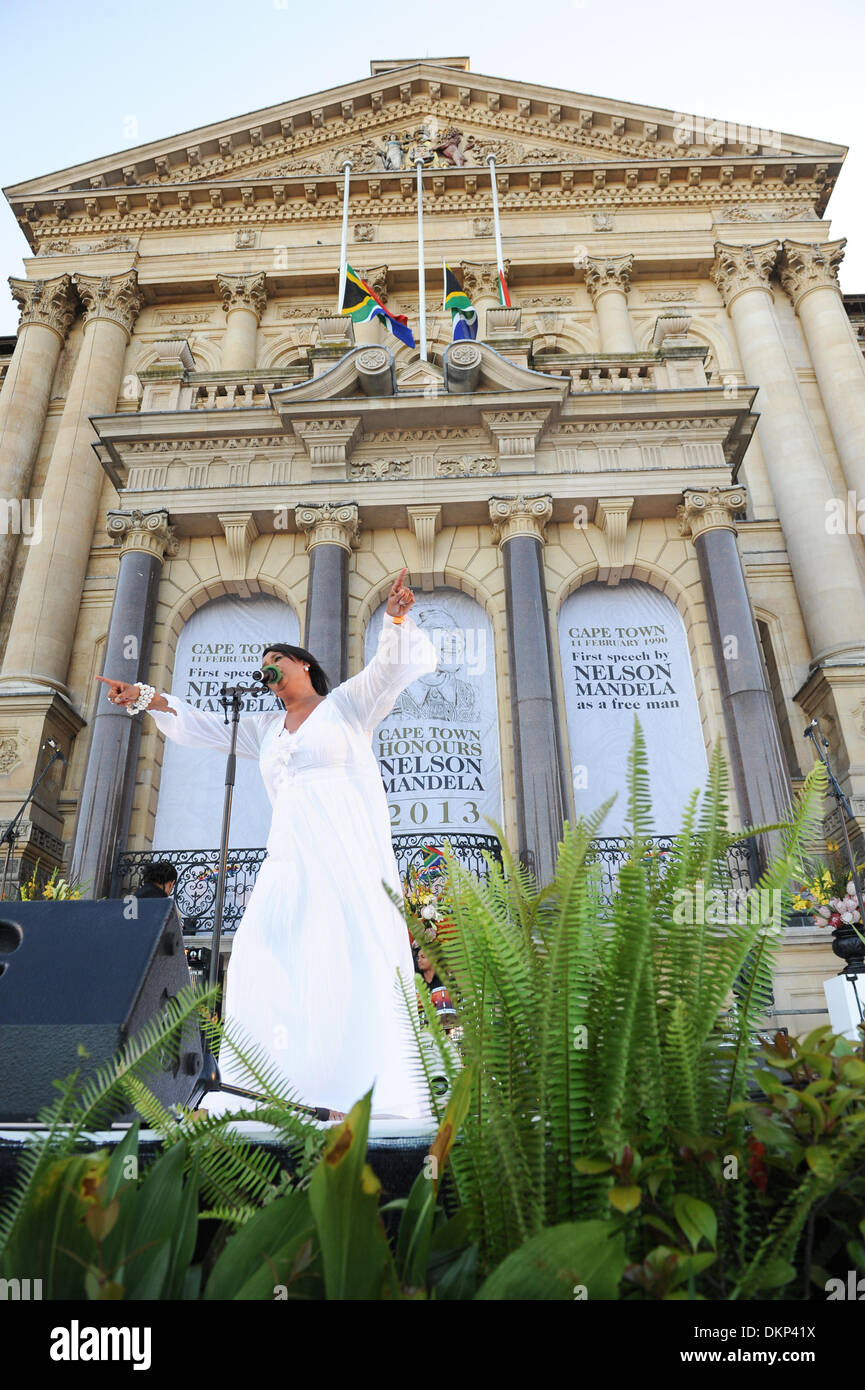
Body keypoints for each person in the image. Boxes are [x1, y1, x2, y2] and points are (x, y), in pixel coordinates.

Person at [96, 569, 438, 1122]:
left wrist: (396, 620)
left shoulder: (347, 707)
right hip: (288, 860)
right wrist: (147, 699)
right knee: (266, 952)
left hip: (345, 856)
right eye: (263, 666)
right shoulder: (264, 728)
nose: (268, 670)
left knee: (344, 955)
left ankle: (357, 1087)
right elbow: (205, 725)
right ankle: (281, 1086)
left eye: (275, 659)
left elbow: (387, 671)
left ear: (303, 665)